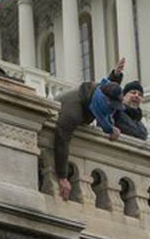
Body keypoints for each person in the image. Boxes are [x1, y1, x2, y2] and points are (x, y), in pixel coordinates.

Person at [50, 58, 127, 200]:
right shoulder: (73, 111)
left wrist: (115, 75)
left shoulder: (98, 90)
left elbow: (109, 87)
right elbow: (62, 140)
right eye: (111, 106)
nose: (110, 111)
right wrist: (62, 176)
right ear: (103, 100)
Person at [90, 74, 146, 142]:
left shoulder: (142, 126)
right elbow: (109, 91)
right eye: (133, 92)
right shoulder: (115, 111)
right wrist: (115, 76)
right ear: (123, 96)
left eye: (140, 94)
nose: (137, 96)